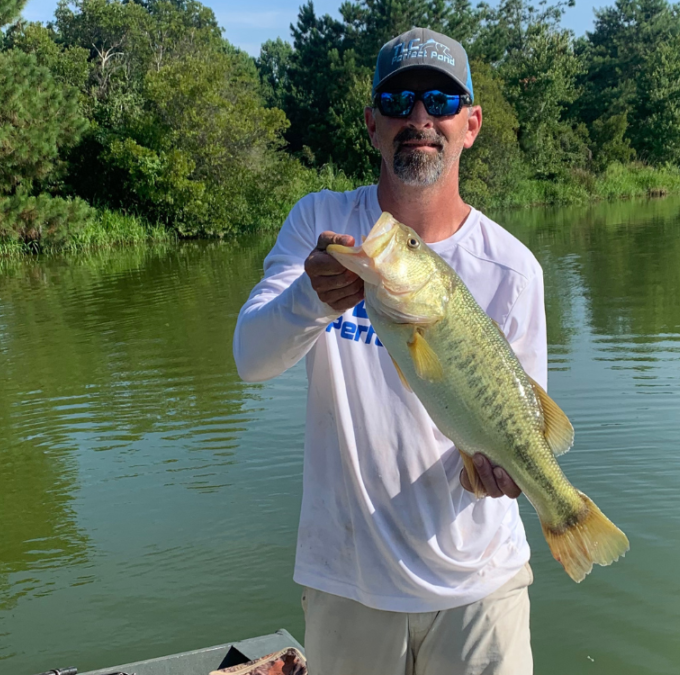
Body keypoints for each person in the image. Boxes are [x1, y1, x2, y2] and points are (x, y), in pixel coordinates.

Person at [233, 27, 546, 675]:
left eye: (441, 99)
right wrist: (312, 300)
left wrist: (505, 472)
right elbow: (251, 358)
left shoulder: (513, 270)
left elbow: (521, 425)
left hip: (480, 587)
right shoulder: (323, 227)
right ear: (372, 123)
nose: (420, 117)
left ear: (471, 123)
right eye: (399, 100)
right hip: (348, 580)